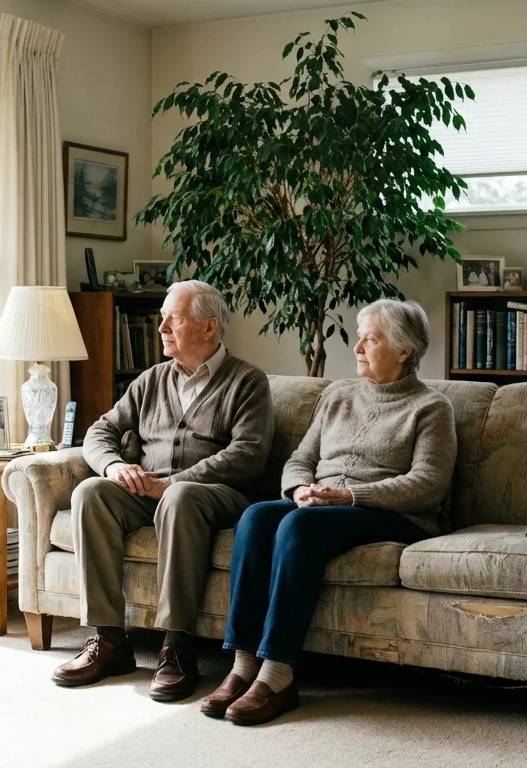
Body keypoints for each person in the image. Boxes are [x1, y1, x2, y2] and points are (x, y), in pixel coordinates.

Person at [200, 299, 456, 725]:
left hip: (390, 514)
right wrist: (300, 488)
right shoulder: (337, 395)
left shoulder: (431, 408)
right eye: (359, 337)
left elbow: (428, 484)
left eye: (369, 339)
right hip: (323, 506)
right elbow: (301, 458)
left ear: (404, 350)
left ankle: (278, 675)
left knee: (301, 525)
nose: (356, 347)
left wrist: (350, 497)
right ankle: (243, 666)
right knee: (257, 517)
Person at [53, 279, 276, 703]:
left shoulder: (248, 381)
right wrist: (116, 467)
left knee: (180, 496)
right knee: (90, 492)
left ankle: (177, 646)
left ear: (209, 327)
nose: (160, 329)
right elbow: (101, 430)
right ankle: (110, 640)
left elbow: (248, 454)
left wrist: (172, 482)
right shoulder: (151, 380)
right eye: (161, 320)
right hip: (149, 490)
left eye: (171, 319)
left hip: (216, 495)